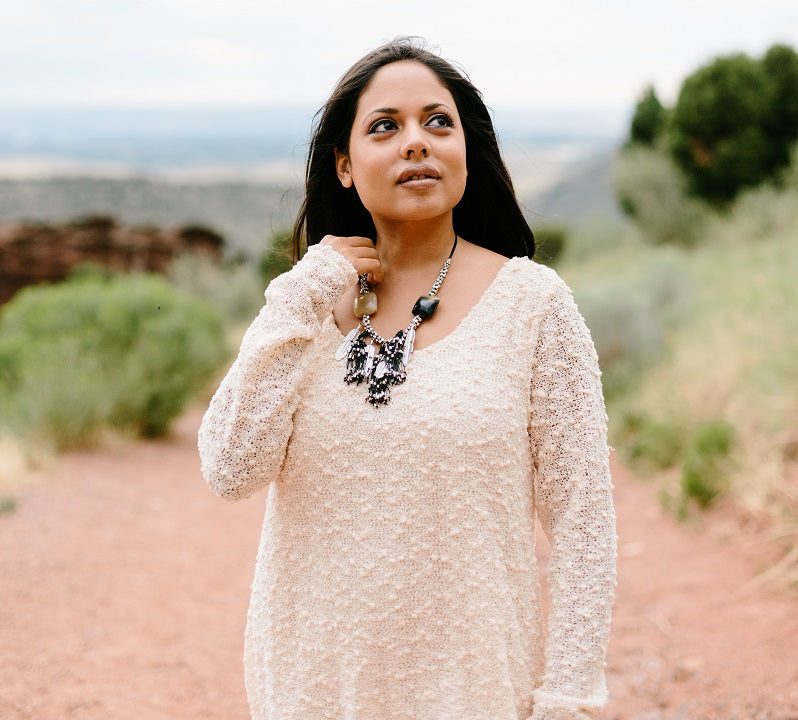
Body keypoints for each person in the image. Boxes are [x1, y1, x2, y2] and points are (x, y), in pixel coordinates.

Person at [198, 37, 616, 720]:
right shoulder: (305, 313)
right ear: (343, 165)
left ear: (464, 153)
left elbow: (583, 521)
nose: (415, 142)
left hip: (474, 693)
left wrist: (569, 697)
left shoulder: (533, 305)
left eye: (437, 121)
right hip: (310, 691)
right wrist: (306, 288)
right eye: (385, 126)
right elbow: (229, 465)